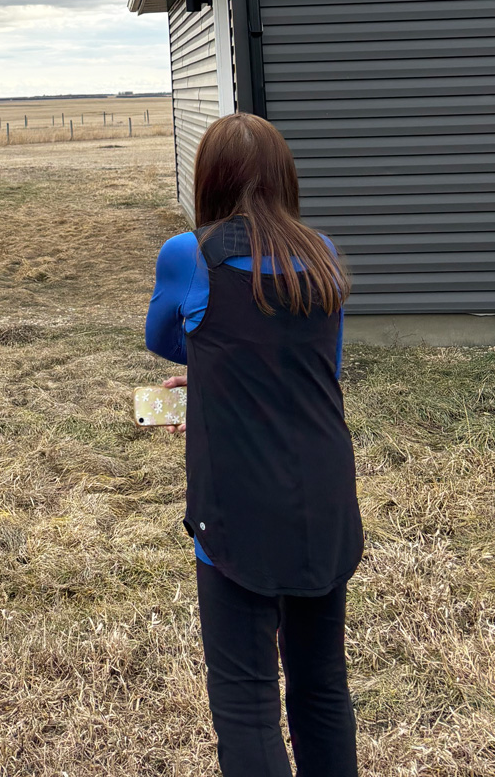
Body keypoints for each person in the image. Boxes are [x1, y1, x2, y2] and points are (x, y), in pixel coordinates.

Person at [145, 113, 362, 777]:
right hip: (325, 494)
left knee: (246, 703)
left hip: (236, 505)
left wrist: (218, 363)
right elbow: (323, 363)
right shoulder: (322, 252)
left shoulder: (189, 255)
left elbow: (162, 336)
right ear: (284, 178)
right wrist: (226, 369)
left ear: (208, 179)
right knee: (322, 686)